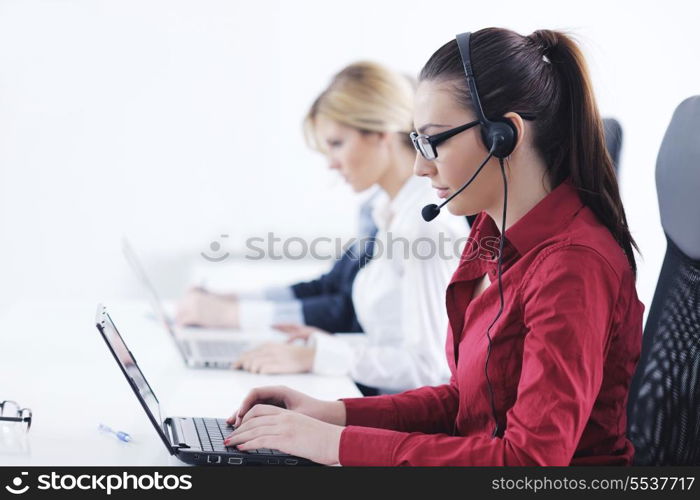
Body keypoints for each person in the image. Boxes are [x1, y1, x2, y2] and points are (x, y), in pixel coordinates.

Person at [220, 28, 645, 466]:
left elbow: (527, 462)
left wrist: (335, 445)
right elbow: (464, 404)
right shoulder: (488, 235)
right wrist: (333, 415)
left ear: (506, 136)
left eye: (433, 141)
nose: (420, 166)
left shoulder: (573, 266)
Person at [180, 62, 467, 393]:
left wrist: (317, 357)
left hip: (405, 419)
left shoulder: (424, 225)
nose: (331, 163)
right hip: (380, 398)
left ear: (379, 134)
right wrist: (325, 347)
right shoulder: (388, 212)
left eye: (336, 143)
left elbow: (430, 369)